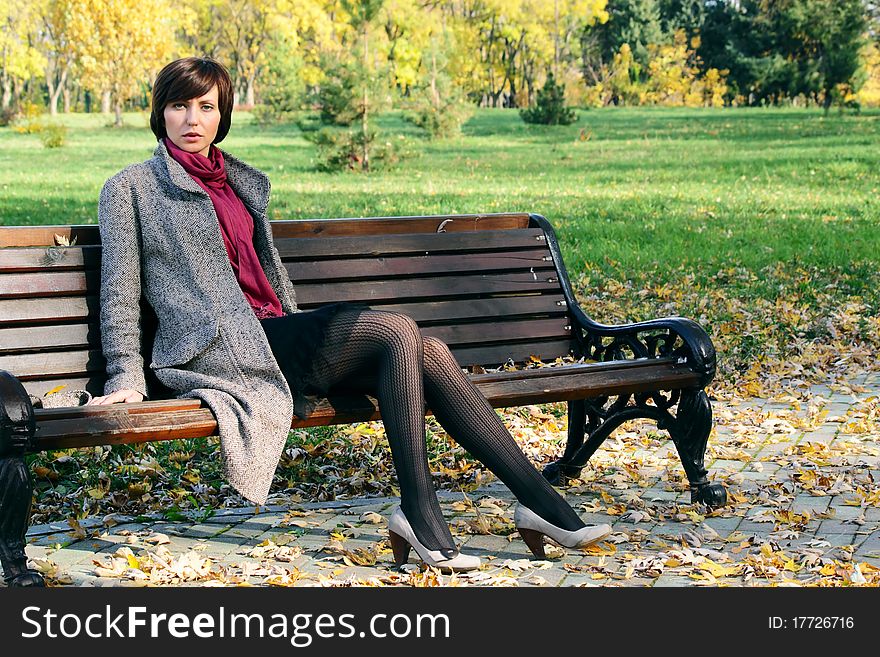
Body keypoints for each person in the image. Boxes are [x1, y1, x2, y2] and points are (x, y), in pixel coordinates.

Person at [89, 56, 610, 572]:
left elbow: (264, 278)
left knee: (427, 351)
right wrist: (127, 376)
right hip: (221, 352)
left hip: (275, 332)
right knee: (397, 331)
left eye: (206, 106)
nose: (192, 120)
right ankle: (441, 511)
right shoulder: (131, 187)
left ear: (222, 115)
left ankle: (532, 505)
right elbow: (119, 290)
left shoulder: (237, 182)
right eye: (179, 106)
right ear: (161, 113)